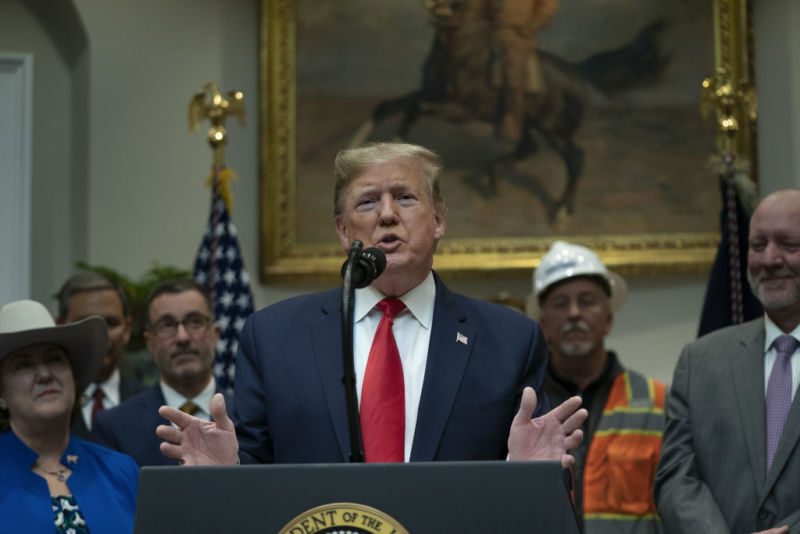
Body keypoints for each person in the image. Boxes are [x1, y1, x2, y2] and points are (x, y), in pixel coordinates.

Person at [157, 142, 586, 469]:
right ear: (344, 231)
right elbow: (256, 468)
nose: (386, 215)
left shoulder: (510, 339)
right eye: (367, 202)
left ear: (438, 220)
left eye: (405, 197)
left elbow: (529, 469)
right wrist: (226, 471)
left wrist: (525, 474)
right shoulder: (272, 336)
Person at [655, 189, 800, 534]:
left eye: (789, 244)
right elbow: (675, 477)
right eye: (758, 245)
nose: (770, 259)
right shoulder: (700, 360)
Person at [529, 241, 666, 533]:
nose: (575, 313)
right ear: (543, 325)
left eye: (588, 300)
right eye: (561, 303)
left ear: (609, 319)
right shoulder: (524, 408)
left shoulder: (658, 403)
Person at [0, 299, 138, 534]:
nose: (44, 374)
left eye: (54, 359)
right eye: (23, 365)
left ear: (73, 378)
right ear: (1, 395)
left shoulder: (122, 471)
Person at [91, 278, 234, 466]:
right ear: (149, 342)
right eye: (167, 325)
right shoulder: (114, 426)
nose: (182, 337)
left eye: (194, 322)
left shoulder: (252, 417)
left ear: (215, 334)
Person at [56, 271, 142, 439]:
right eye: (85, 324)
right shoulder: (42, 407)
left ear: (127, 329)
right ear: (60, 326)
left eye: (110, 324)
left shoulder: (155, 407)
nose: (100, 336)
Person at [489, 0, 560, 141]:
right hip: (493, 31)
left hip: (519, 35)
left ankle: (513, 127)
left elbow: (549, 5)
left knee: (513, 79)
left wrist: (530, 27)